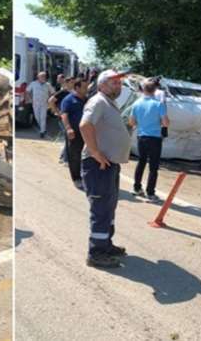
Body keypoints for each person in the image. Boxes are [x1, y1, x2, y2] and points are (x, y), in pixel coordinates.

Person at [80, 69, 132, 268]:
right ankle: (96, 253)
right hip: (97, 165)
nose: (118, 86)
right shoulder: (98, 101)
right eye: (113, 83)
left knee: (109, 206)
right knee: (101, 209)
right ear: (101, 85)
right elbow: (85, 125)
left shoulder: (110, 103)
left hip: (108, 165)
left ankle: (106, 244)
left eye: (119, 83)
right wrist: (95, 152)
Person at [129, 79, 169, 201]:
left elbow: (131, 122)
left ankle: (137, 188)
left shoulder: (136, 104)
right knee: (153, 166)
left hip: (141, 136)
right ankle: (150, 192)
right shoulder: (159, 104)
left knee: (141, 163)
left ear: (143, 90)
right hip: (155, 137)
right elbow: (165, 122)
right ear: (155, 90)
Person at [61, 78, 88, 189]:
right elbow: (64, 115)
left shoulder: (86, 100)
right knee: (74, 155)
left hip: (86, 131)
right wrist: (68, 128)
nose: (86, 89)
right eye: (84, 87)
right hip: (74, 132)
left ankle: (85, 176)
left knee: (86, 155)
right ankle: (76, 178)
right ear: (77, 88)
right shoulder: (69, 100)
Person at [49, 77, 74, 163]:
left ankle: (63, 157)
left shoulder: (73, 93)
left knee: (68, 138)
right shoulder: (63, 92)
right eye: (71, 82)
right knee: (69, 137)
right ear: (67, 83)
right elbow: (51, 100)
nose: (73, 84)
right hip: (63, 118)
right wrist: (57, 111)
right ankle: (66, 159)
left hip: (69, 118)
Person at [26, 71, 54, 139]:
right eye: (42, 76)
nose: (43, 77)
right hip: (35, 103)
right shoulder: (33, 84)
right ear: (38, 77)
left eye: (44, 76)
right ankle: (42, 128)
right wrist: (30, 99)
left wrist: (50, 100)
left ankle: (42, 131)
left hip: (44, 103)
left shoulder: (48, 85)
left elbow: (53, 92)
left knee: (43, 117)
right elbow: (27, 91)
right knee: (37, 117)